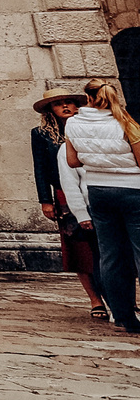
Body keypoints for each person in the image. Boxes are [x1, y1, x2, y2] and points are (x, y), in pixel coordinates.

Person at [62, 78, 140, 333]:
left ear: (88, 98)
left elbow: (73, 161)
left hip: (98, 191)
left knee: (110, 255)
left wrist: (98, 161)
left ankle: (122, 315)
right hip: (133, 189)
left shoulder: (73, 123)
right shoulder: (126, 122)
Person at [31, 88, 105, 319]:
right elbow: (40, 168)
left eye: (69, 102)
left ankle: (120, 297)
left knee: (108, 246)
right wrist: (45, 200)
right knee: (78, 247)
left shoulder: (90, 128)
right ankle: (95, 299)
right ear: (50, 110)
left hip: (97, 189)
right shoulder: (41, 134)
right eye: (58, 104)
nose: (65, 107)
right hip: (64, 195)